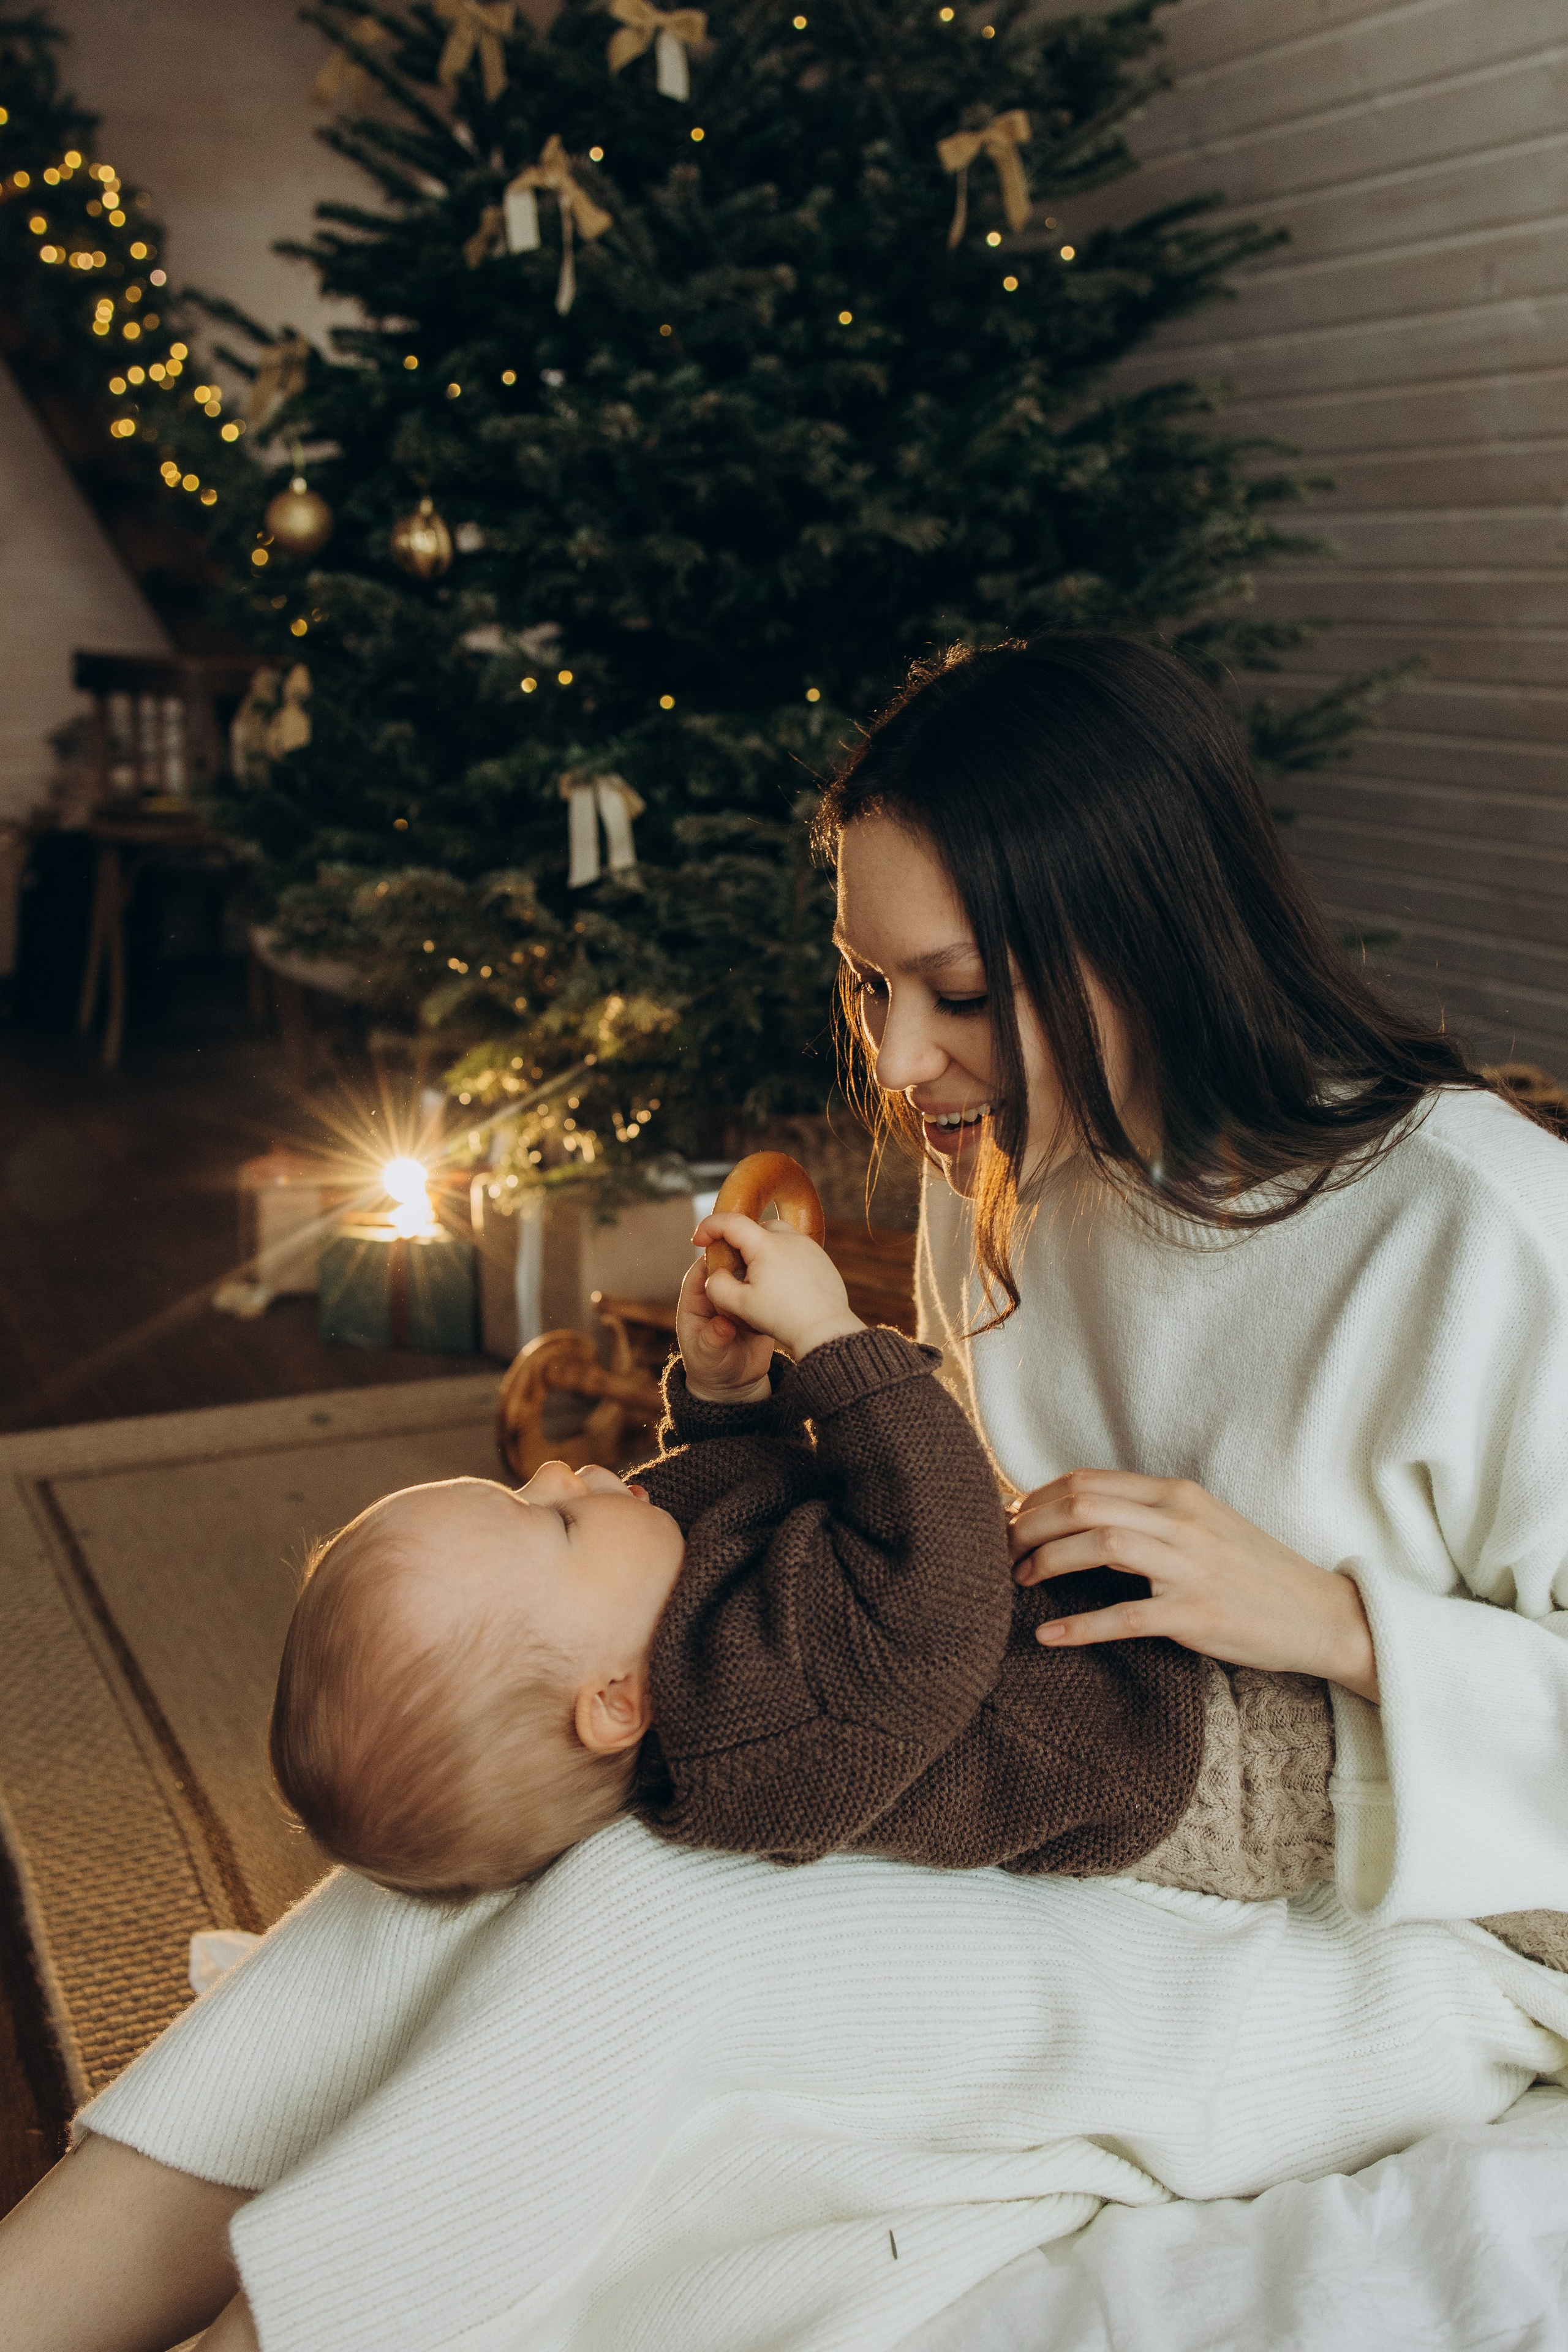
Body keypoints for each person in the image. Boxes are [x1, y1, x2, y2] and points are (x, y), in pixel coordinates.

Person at [4, 632, 1568, 2352]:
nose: (897, 1067)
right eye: (872, 987)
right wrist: (752, 1405)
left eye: (957, 994)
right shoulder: (1023, 1190)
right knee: (479, 1859)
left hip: (1409, 1921)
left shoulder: (1477, 1225)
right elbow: (916, 1569)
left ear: (1147, 936)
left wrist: (1336, 1625)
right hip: (1055, 1796)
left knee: (651, 1917)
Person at [269, 1209, 1335, 1901]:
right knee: (1410, 1793)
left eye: (521, 1486)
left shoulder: (656, 1599)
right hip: (1183, 1751)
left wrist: (727, 1396)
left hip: (1126, 1641)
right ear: (611, 1705)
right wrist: (834, 1340)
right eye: (551, 1522)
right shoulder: (765, 1726)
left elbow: (763, 1513)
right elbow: (938, 1576)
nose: (561, 1476)